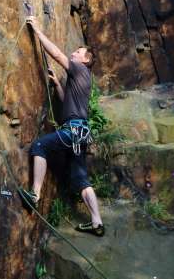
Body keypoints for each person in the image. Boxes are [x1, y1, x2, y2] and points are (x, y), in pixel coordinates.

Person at [23, 15, 105, 237]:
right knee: (80, 178)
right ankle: (97, 222)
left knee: (39, 146)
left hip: (73, 130)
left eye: (79, 52)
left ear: (85, 60)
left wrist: (38, 32)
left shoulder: (79, 69)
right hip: (80, 131)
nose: (75, 53)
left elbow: (57, 55)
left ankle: (35, 194)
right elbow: (68, 103)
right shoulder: (82, 78)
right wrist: (58, 84)